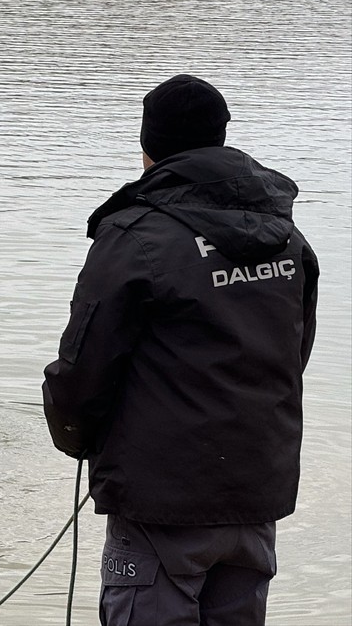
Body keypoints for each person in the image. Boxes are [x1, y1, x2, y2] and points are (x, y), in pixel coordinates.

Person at [42, 74, 319, 626]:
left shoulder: (136, 236)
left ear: (148, 148)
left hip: (162, 498)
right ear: (220, 137)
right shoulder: (288, 238)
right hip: (256, 486)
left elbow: (83, 369)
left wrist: (76, 437)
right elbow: (296, 354)